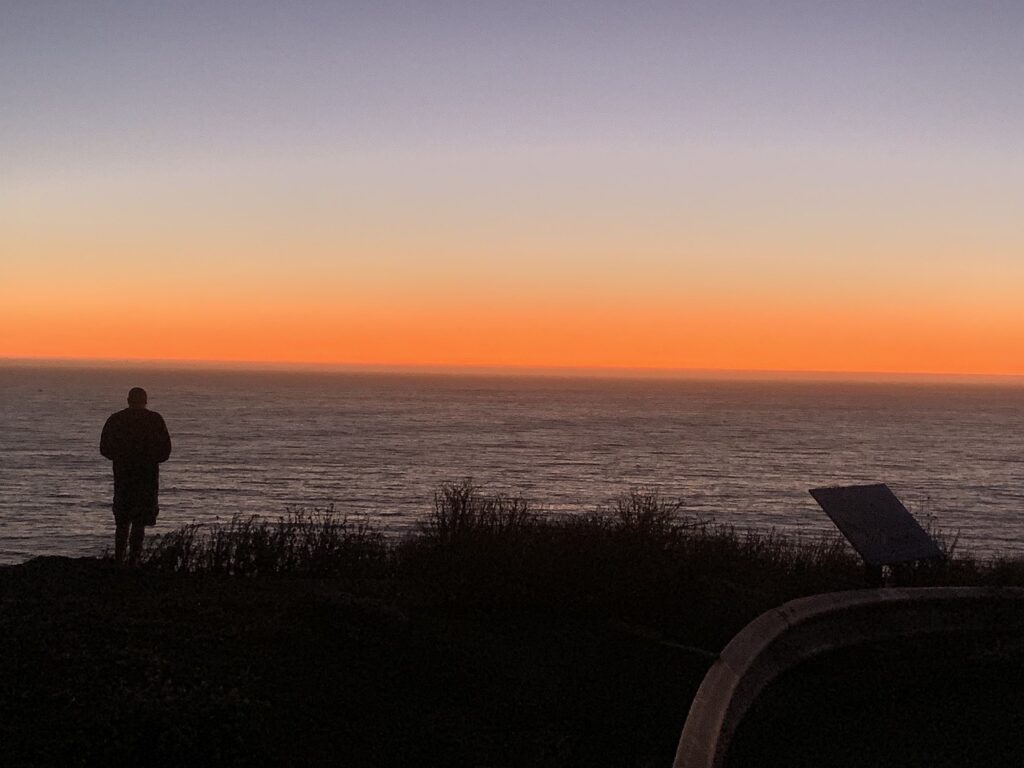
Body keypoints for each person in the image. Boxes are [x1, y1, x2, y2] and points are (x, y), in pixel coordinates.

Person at [100, 387, 172, 565]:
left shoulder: (116, 419)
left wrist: (122, 457)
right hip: (146, 478)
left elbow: (104, 448)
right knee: (139, 522)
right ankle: (134, 560)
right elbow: (165, 451)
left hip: (123, 478)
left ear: (128, 400)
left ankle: (119, 560)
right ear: (145, 400)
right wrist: (148, 459)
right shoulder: (155, 420)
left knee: (122, 521)